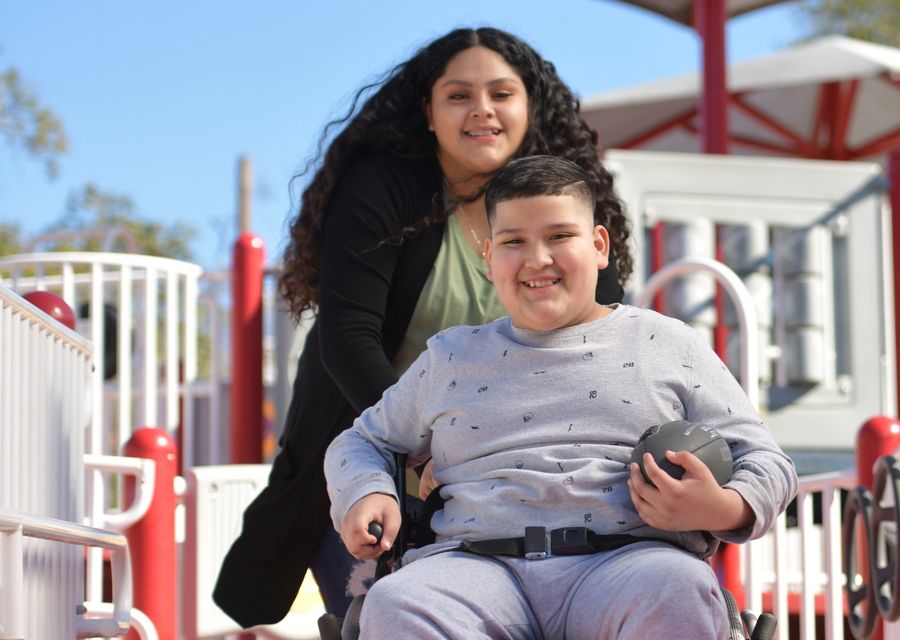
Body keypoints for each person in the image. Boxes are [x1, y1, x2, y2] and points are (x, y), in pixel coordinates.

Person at [213, 28, 633, 627]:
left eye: (501, 93)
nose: (481, 109)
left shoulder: (556, 197)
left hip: (517, 461)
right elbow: (348, 336)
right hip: (382, 444)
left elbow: (600, 334)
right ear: (428, 113)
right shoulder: (385, 187)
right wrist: (424, 447)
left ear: (529, 107)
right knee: (387, 617)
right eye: (459, 95)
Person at [325, 155, 798, 639]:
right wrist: (368, 491)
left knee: (678, 587)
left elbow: (765, 458)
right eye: (513, 242)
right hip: (473, 568)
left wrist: (722, 508)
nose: (537, 259)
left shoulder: (667, 342)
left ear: (598, 245)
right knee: (397, 602)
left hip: (630, 563)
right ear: (488, 259)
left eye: (558, 236)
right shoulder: (450, 356)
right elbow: (361, 442)